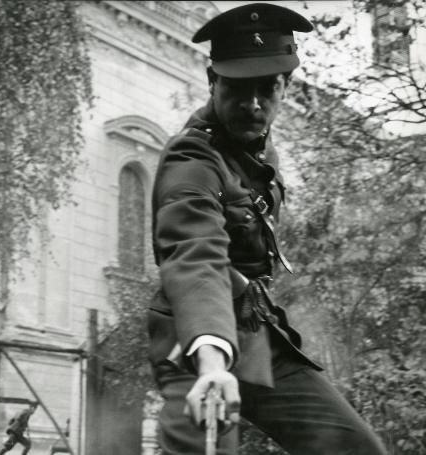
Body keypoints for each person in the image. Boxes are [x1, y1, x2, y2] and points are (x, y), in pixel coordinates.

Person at [148, 3, 388, 454]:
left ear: (286, 85)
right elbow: (196, 254)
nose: (253, 104)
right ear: (212, 80)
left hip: (259, 334)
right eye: (238, 89)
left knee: (355, 448)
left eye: (268, 88)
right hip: (194, 344)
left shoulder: (258, 147)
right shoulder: (192, 161)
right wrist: (213, 361)